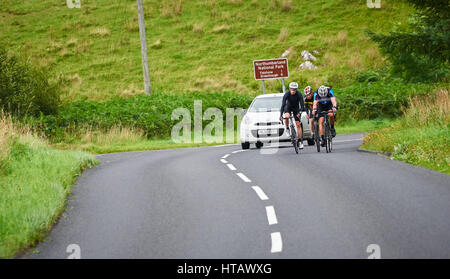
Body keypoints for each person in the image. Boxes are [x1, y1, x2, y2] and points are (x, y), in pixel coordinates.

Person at [279, 82, 305, 149]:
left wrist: (300, 113)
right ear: (290, 89)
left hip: (296, 108)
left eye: (294, 89)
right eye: (292, 89)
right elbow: (283, 105)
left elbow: (302, 105)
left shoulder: (299, 94)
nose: (293, 91)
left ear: (296, 89)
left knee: (298, 124)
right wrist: (280, 115)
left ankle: (299, 141)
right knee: (287, 116)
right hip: (288, 107)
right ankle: (287, 128)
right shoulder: (286, 94)